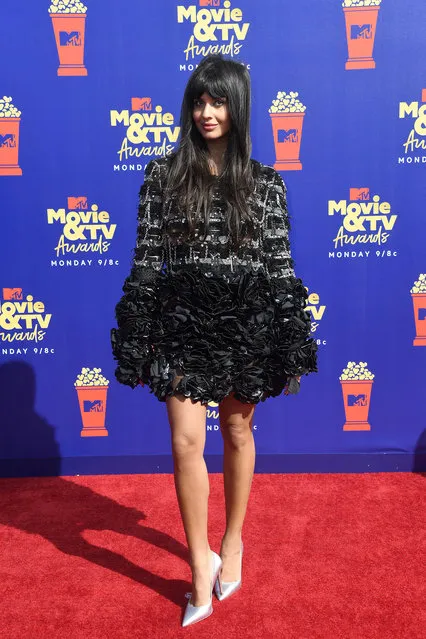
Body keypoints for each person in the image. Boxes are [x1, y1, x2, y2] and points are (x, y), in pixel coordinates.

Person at [110, 53, 318, 627]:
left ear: (239, 106)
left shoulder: (267, 186)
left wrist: (288, 334)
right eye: (199, 100)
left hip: (244, 320)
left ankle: (232, 542)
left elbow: (279, 267)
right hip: (183, 321)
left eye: (218, 100)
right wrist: (139, 326)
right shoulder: (161, 178)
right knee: (184, 442)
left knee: (236, 428)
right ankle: (199, 568)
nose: (206, 112)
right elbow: (148, 261)